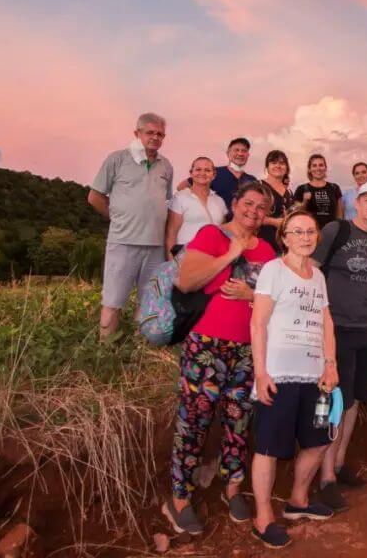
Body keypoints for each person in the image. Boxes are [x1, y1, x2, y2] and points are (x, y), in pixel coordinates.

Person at [162, 182, 277, 536]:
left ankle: (232, 489)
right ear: (235, 203)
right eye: (248, 204)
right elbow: (185, 280)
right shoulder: (213, 235)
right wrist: (230, 254)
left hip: (248, 350)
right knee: (194, 421)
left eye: (261, 207)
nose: (253, 212)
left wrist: (251, 293)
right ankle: (179, 499)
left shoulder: (269, 251)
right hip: (207, 346)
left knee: (238, 422)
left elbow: (275, 301)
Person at [249, 210, 340, 549]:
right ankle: (262, 518)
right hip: (280, 375)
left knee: (318, 441)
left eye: (310, 231)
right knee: (269, 447)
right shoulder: (273, 271)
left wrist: (330, 364)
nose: (305, 237)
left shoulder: (318, 276)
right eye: (297, 232)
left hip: (315, 377)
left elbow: (326, 322)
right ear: (284, 237)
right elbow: (258, 324)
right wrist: (261, 373)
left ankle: (298, 501)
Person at [311, 182, 367, 512]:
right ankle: (325, 479)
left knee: (354, 402)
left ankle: (338, 464)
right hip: (337, 329)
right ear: (357, 203)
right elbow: (314, 271)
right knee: (336, 401)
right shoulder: (338, 230)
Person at [88, 112, 174, 339]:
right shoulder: (117, 159)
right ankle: (104, 353)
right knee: (113, 300)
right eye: (150, 133)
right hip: (123, 242)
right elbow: (94, 197)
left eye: (160, 134)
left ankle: (140, 351)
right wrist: (117, 217)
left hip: (155, 245)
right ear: (137, 133)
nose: (155, 138)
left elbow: (165, 200)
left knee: (148, 301)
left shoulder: (166, 166)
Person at [166, 157, 227, 259]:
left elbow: (223, 233)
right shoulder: (180, 197)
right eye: (198, 169)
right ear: (191, 173)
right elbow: (171, 234)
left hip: (212, 259)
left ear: (214, 175)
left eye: (207, 170)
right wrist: (171, 264)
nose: (202, 173)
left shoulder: (219, 201)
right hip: (185, 258)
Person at [258, 150, 295, 254]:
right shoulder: (258, 186)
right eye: (273, 163)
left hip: (284, 247)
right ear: (267, 167)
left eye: (282, 163)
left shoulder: (289, 192)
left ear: (287, 168)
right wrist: (275, 222)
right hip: (262, 244)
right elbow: (250, 216)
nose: (278, 166)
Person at [294, 154, 344, 229]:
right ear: (309, 169)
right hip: (309, 233)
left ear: (325, 168)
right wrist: (304, 202)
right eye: (314, 165)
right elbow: (296, 214)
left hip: (332, 232)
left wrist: (339, 227)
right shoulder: (301, 189)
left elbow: (339, 213)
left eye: (321, 165)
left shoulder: (334, 188)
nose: (318, 168)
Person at [211, 138, 257, 210]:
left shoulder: (252, 180)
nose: (240, 153)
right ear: (228, 153)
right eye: (236, 150)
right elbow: (190, 184)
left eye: (244, 151)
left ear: (248, 155)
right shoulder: (214, 172)